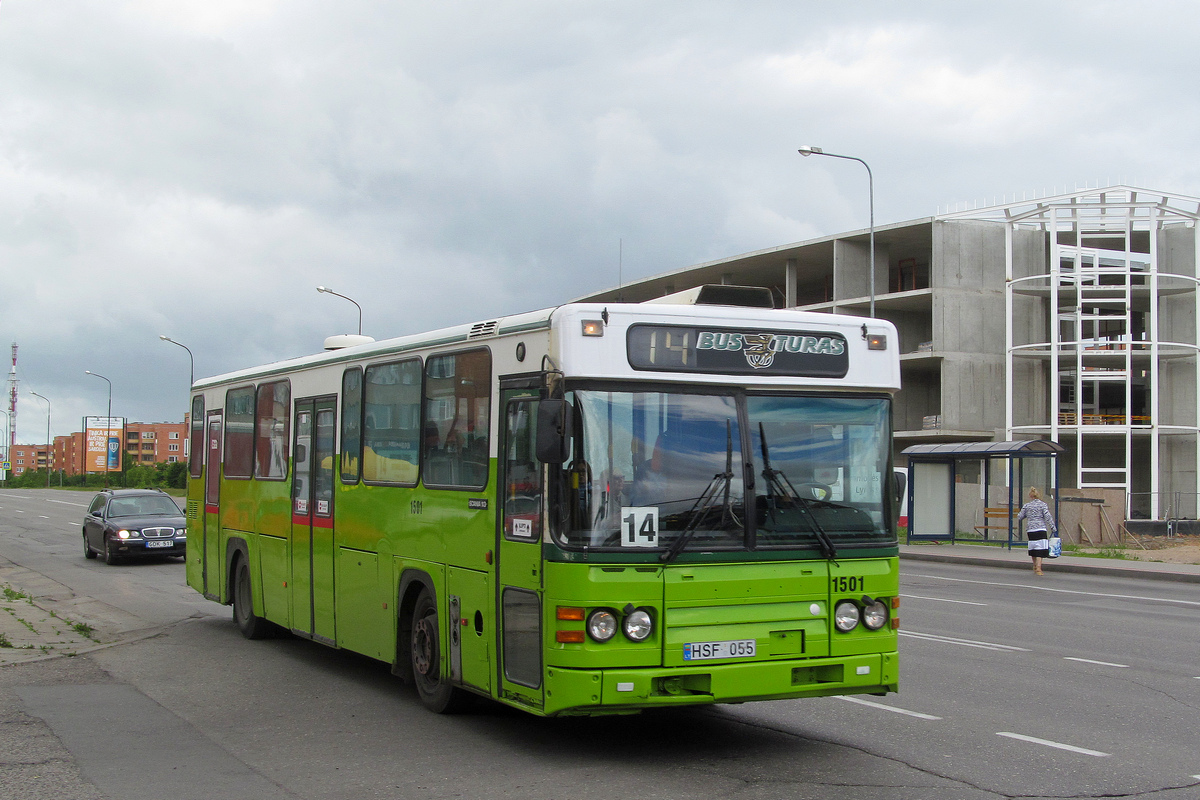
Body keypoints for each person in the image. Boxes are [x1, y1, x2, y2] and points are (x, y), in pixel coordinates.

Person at [1017, 487, 1057, 575]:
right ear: (1038, 496)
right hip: (1041, 528)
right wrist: (1053, 527)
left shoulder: (1027, 506)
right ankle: (1039, 568)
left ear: (1030, 496)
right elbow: (1048, 517)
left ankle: (1035, 566)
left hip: (1031, 530)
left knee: (1033, 547)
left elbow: (1019, 517)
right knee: (1040, 548)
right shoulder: (1043, 505)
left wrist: (1028, 515)